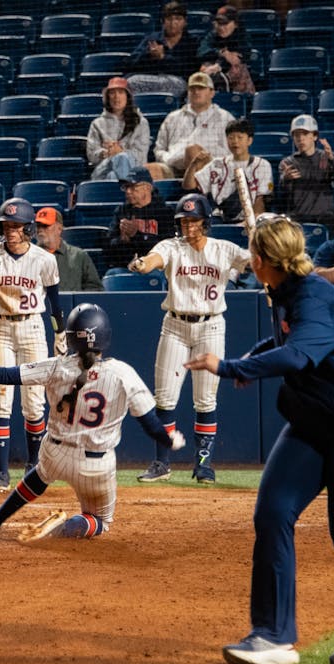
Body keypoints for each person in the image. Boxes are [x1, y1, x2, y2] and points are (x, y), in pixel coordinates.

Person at [183, 213, 334, 664]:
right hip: (311, 424)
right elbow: (282, 338)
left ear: (262, 260)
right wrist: (250, 357)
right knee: (273, 514)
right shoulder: (280, 288)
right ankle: (272, 636)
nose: (248, 261)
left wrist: (230, 368)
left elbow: (303, 352)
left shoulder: (314, 294)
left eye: (251, 255)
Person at [0, 303, 185, 541]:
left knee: (38, 477)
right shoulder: (123, 373)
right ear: (105, 336)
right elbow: (150, 424)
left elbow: (0, 374)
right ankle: (69, 527)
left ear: (71, 337)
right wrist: (169, 439)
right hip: (97, 464)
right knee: (101, 520)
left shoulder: (56, 367)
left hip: (55, 453)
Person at [129, 193, 252, 484]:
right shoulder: (172, 247)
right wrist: (141, 264)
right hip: (175, 324)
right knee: (165, 397)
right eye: (183, 221)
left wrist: (257, 242)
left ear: (206, 221)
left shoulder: (224, 249)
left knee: (205, 399)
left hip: (211, 326)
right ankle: (162, 462)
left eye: (194, 220)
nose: (188, 226)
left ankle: (204, 464)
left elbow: (255, 263)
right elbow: (152, 261)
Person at [0, 197, 66, 492]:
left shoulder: (44, 259)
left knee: (34, 402)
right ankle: (2, 472)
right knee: (0, 398)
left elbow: (55, 302)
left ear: (28, 228)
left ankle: (33, 465)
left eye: (16, 225)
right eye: (6, 225)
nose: (11, 230)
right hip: (0, 328)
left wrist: (59, 333)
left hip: (33, 326)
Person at [182, 117, 273, 222]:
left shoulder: (263, 165)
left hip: (249, 218)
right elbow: (188, 186)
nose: (235, 141)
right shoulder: (217, 164)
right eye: (231, 137)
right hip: (218, 218)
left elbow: (260, 200)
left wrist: (251, 221)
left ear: (249, 140)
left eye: (240, 137)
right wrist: (193, 164)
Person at [148, 71, 236, 180]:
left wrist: (207, 158)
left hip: (212, 170)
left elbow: (234, 152)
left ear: (212, 93)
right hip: (175, 166)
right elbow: (159, 149)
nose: (196, 92)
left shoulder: (225, 118)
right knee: (148, 170)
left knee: (193, 151)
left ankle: (196, 194)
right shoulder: (172, 117)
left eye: (201, 88)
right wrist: (168, 158)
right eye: (192, 89)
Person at [277, 114, 334, 230]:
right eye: (296, 135)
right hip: (297, 217)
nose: (300, 139)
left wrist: (332, 159)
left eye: (305, 134)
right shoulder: (287, 163)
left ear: (314, 136)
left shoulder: (326, 158)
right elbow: (282, 197)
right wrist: (285, 179)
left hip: (323, 217)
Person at [104, 166, 175, 270]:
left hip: (156, 268)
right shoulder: (121, 211)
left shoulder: (165, 212)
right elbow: (108, 247)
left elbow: (167, 248)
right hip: (125, 266)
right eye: (126, 187)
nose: (128, 191)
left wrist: (137, 235)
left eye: (133, 187)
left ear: (147, 188)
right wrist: (123, 240)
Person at [124, 1, 200, 97]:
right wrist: (149, 55)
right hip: (151, 79)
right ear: (163, 22)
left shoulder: (193, 41)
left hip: (178, 82)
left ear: (185, 22)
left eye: (178, 19)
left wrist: (163, 57)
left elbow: (190, 68)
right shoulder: (152, 38)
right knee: (130, 82)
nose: (173, 23)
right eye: (169, 19)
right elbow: (129, 63)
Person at [86, 77, 152, 182]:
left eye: (121, 92)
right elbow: (91, 155)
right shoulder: (97, 124)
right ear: (107, 97)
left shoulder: (141, 123)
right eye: (112, 93)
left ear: (127, 96)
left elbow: (141, 156)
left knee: (113, 175)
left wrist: (120, 151)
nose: (116, 97)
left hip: (132, 170)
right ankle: (127, 191)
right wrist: (105, 153)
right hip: (103, 168)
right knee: (116, 164)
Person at [34, 207, 103, 292]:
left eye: (45, 226)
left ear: (59, 228)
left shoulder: (78, 256)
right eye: (38, 226)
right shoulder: (27, 257)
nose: (40, 230)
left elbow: (96, 289)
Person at [197, 5, 255, 94]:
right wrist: (221, 52)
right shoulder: (212, 35)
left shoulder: (242, 37)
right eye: (219, 23)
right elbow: (201, 52)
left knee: (238, 67)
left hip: (236, 81)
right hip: (212, 72)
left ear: (235, 24)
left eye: (225, 24)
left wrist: (219, 65)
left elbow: (236, 58)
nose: (221, 27)